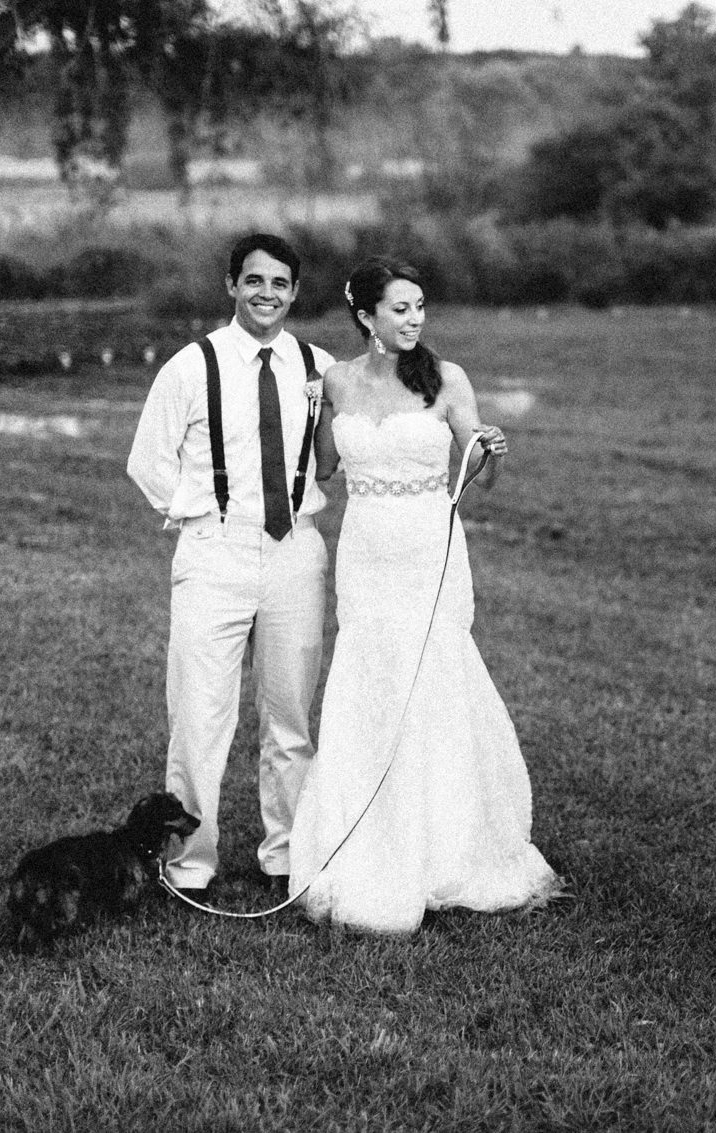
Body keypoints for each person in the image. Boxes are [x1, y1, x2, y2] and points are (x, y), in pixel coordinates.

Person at [287, 256, 560, 934]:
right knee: (370, 675)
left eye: (420, 307)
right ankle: (366, 834)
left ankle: (446, 843)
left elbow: (477, 473)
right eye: (401, 308)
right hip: (366, 547)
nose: (415, 319)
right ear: (366, 315)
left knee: (431, 674)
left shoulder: (446, 378)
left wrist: (491, 449)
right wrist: (316, 409)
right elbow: (325, 465)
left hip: (426, 543)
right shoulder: (338, 380)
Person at [127, 233, 334, 898]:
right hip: (215, 550)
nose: (266, 293)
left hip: (295, 550)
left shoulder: (318, 366)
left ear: (295, 292)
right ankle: (189, 860)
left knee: (290, 712)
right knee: (199, 713)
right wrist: (195, 515)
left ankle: (286, 854)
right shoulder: (192, 365)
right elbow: (148, 460)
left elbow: (338, 447)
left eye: (279, 283)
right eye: (254, 281)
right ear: (231, 285)